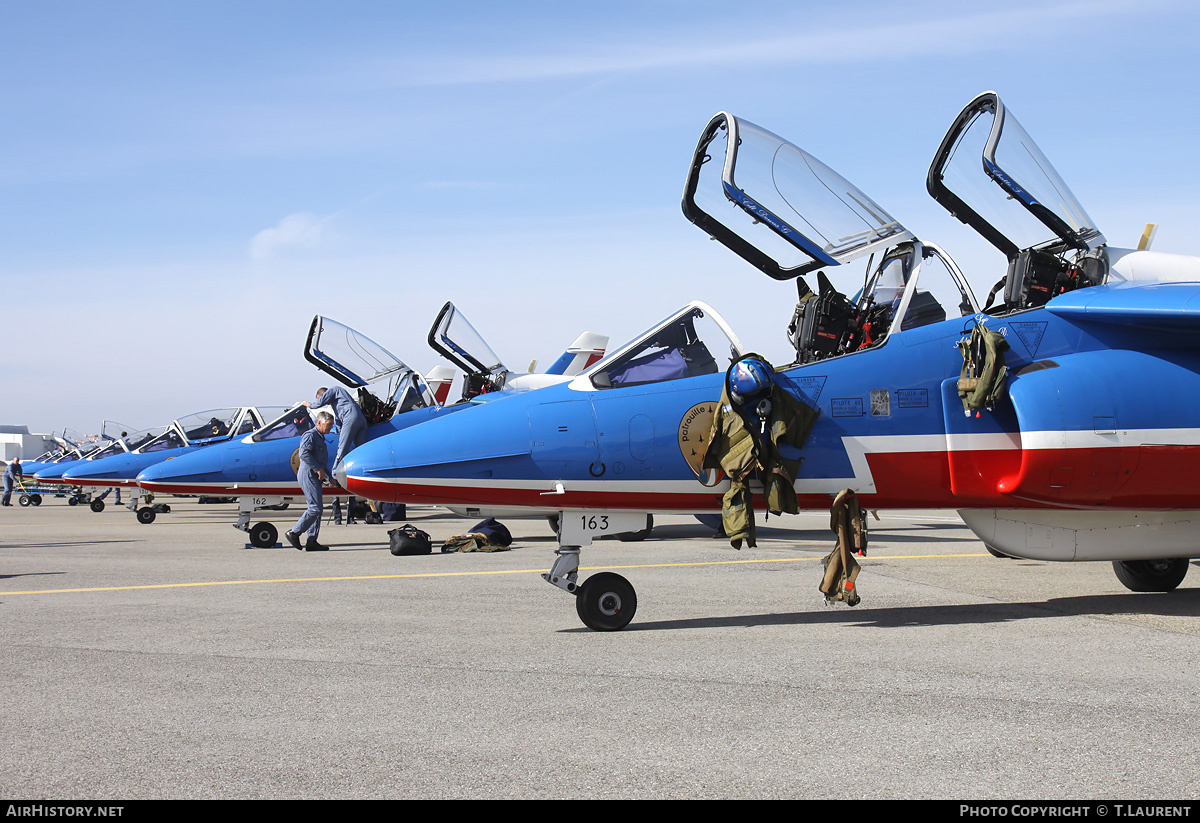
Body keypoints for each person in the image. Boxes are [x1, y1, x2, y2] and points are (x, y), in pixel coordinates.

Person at [285, 411, 334, 552]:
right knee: (315, 508)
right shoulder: (310, 435)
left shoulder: (320, 438)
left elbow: (321, 463)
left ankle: (312, 540)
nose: (330, 427)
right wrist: (318, 469)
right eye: (328, 424)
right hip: (308, 475)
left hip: (315, 475)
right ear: (319, 423)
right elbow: (304, 454)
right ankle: (294, 532)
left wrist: (329, 477)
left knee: (317, 509)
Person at [305, 386, 367, 471]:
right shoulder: (339, 401)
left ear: (324, 395)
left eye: (321, 398)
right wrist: (338, 432)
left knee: (342, 448)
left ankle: (335, 474)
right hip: (361, 419)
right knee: (360, 450)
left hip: (351, 418)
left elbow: (319, 403)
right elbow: (338, 419)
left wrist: (310, 405)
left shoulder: (334, 390)